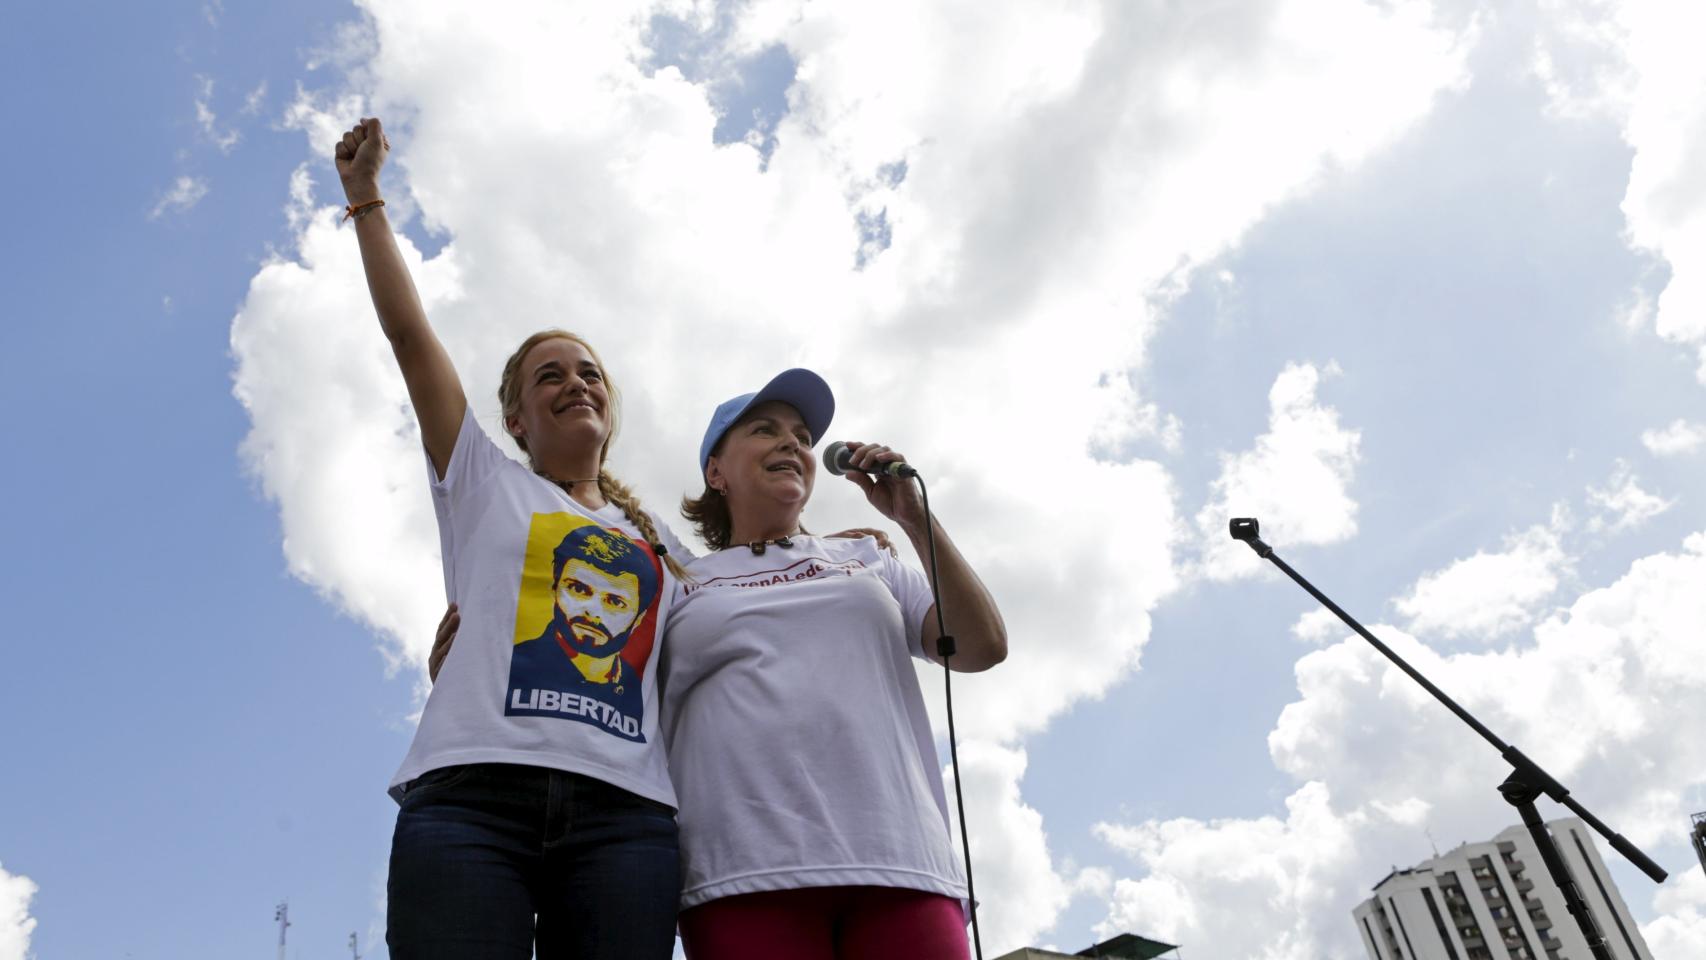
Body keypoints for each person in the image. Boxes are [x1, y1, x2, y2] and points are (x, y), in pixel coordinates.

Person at [336, 116, 690, 960]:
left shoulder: (666, 549)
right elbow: (410, 338)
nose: (575, 382)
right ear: (514, 420)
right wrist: (367, 200)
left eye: (589, 372)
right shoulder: (484, 479)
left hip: (625, 821)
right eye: (550, 375)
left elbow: (745, 628)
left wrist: (837, 540)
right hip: (470, 803)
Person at [668, 369, 1007, 959]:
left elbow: (981, 646)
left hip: (901, 864)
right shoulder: (677, 581)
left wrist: (914, 518)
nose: (792, 443)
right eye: (764, 430)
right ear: (715, 472)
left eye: (801, 435)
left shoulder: (865, 557)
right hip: (743, 873)